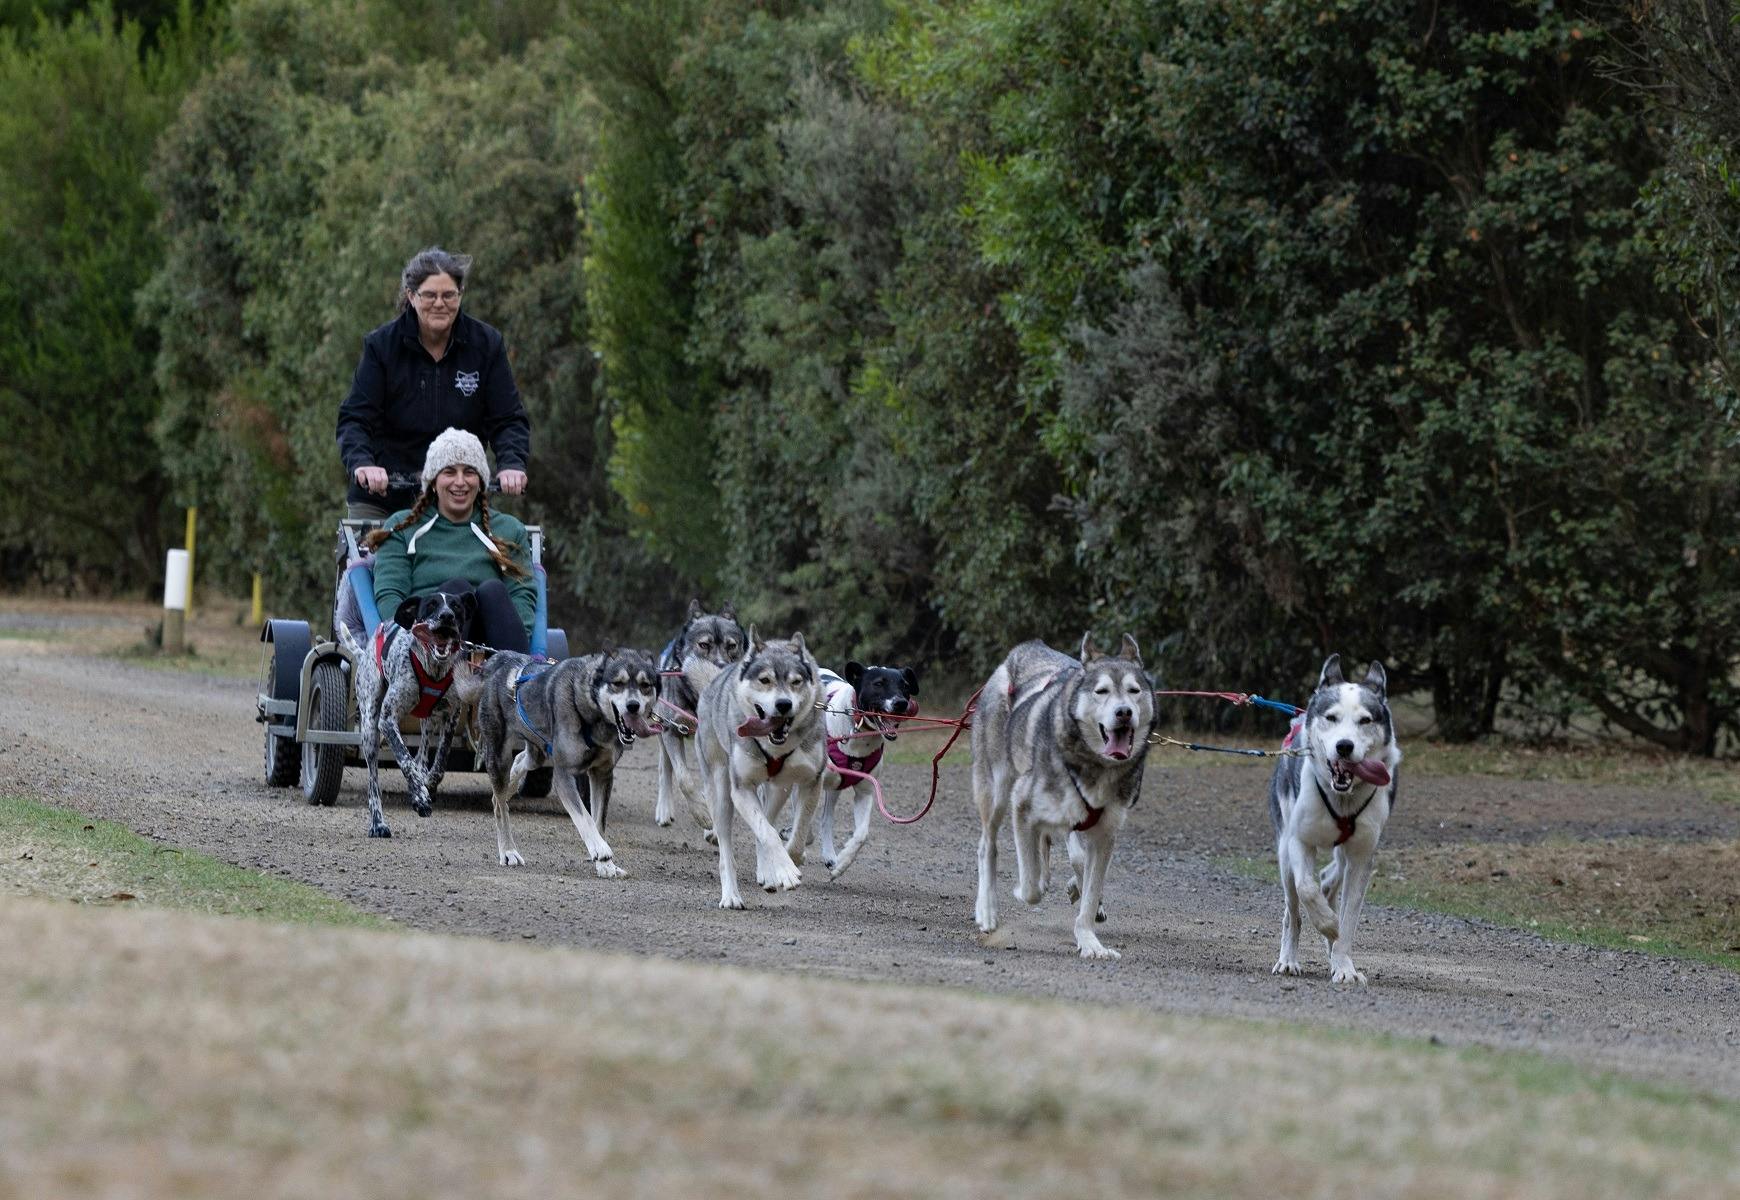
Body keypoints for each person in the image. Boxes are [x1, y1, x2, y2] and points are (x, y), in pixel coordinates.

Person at [337, 246, 531, 520]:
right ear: (411, 296)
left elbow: (508, 419)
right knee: (363, 563)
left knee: (499, 558)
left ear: (460, 295)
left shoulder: (486, 345)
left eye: (448, 295)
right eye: (429, 295)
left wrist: (512, 463)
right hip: (385, 499)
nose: (439, 303)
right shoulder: (381, 347)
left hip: (459, 500)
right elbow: (355, 419)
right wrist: (363, 464)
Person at [367, 428, 536, 654]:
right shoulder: (402, 527)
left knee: (492, 590)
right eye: (449, 472)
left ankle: (515, 678)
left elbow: (521, 596)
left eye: (469, 472)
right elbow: (390, 597)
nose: (460, 482)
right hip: (427, 642)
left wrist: (520, 636)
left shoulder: (509, 529)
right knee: (456, 590)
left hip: (493, 642)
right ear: (434, 481)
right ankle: (447, 676)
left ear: (480, 481)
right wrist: (407, 645)